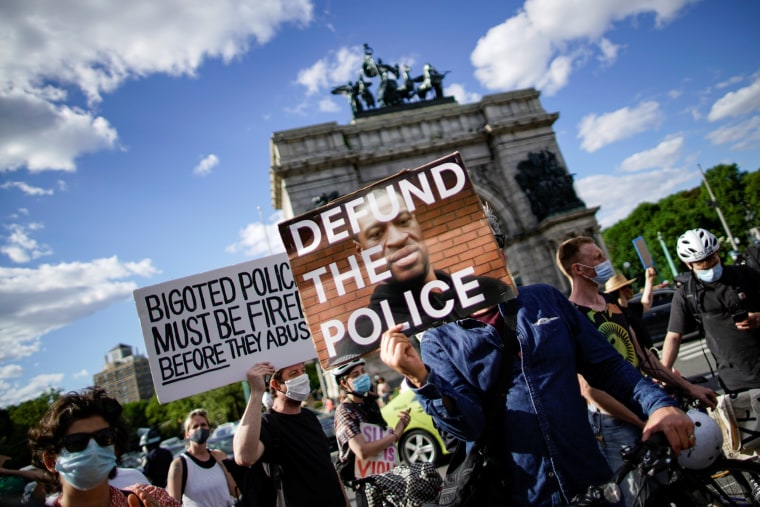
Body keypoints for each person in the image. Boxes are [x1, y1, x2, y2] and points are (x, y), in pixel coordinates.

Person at [378, 209, 697, 507]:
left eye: (487, 244)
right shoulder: (438, 339)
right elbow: (468, 428)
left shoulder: (546, 299)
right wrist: (422, 379)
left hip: (589, 479)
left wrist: (658, 405)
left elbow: (607, 365)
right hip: (520, 492)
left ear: (500, 251)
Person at [557, 236, 717, 503]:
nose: (605, 261)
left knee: (678, 485)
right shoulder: (571, 317)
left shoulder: (611, 304)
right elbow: (588, 389)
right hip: (612, 422)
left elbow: (644, 359)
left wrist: (688, 387)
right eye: (597, 258)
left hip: (644, 408)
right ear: (578, 269)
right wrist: (643, 424)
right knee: (638, 496)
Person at [345, 188, 513, 364]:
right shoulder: (358, 337)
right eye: (377, 234)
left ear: (416, 222)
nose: (397, 239)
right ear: (361, 250)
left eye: (403, 221)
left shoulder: (490, 288)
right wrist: (420, 379)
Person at [27, 386, 179, 507]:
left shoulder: (153, 499)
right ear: (51, 461)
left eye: (104, 437)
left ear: (115, 448)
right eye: (77, 441)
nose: (93, 448)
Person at [233, 362, 349, 507]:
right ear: (276, 385)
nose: (303, 377)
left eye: (303, 370)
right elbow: (244, 457)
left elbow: (327, 465)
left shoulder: (309, 417)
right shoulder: (268, 424)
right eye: (294, 374)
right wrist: (256, 392)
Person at [661, 228, 760, 393]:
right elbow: (673, 336)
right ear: (688, 264)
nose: (709, 266)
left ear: (718, 252)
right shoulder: (686, 294)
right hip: (735, 383)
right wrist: (663, 373)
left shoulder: (746, 275)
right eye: (701, 263)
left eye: (712, 259)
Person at [332, 359, 410, 486]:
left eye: (363, 372)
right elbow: (362, 451)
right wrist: (395, 434)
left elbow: (383, 441)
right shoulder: (345, 411)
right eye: (356, 375)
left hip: (386, 475)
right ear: (344, 383)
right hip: (366, 484)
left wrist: (401, 426)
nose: (362, 376)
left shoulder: (369, 402)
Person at [166, 408, 238, 506]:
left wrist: (223, 464)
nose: (200, 428)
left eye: (203, 425)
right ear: (187, 434)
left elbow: (236, 492)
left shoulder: (219, 456)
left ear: (209, 429)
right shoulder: (180, 464)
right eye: (195, 426)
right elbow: (173, 504)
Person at [603, 268, 657, 350]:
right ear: (622, 290)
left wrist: (649, 280)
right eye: (629, 286)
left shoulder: (631, 307)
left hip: (649, 354)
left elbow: (646, 303)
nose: (631, 289)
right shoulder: (614, 314)